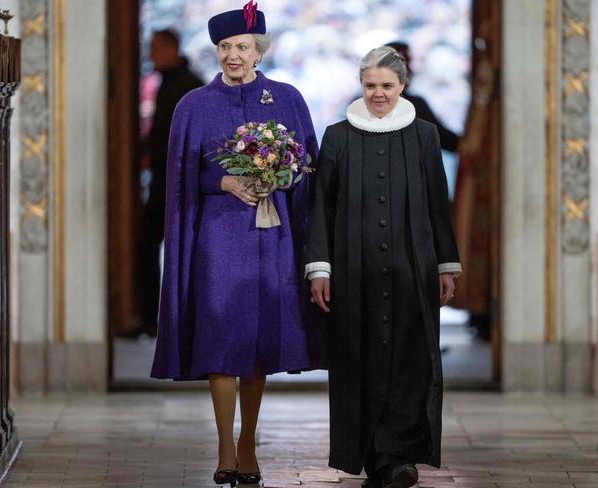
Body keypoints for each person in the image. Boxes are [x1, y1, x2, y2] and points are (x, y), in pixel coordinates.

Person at [150, 3, 325, 487]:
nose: (233, 55)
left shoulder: (287, 98)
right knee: (222, 334)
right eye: (226, 47)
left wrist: (280, 176)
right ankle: (225, 446)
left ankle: (249, 442)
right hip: (218, 239)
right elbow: (180, 176)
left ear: (259, 50)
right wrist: (224, 181)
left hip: (272, 239)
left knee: (258, 343)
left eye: (242, 47)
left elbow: (309, 166)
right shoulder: (193, 105)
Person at [306, 46, 461, 488]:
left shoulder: (425, 135)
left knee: (409, 361)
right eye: (370, 85)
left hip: (413, 267)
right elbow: (321, 207)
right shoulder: (337, 136)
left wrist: (446, 264)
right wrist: (320, 268)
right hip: (355, 272)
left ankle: (398, 456)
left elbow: (437, 204)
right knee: (362, 360)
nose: (378, 94)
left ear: (403, 86)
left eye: (387, 86)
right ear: (361, 85)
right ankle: (376, 456)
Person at [137, 29, 204, 336]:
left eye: (155, 48)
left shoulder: (190, 87)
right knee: (148, 245)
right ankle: (152, 318)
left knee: (188, 251)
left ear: (170, 48)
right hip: (163, 181)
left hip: (183, 183)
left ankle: (187, 320)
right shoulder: (167, 82)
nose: (151, 55)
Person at [385, 41, 459, 153]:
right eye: (405, 64)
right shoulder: (413, 106)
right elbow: (447, 140)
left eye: (408, 63)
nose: (409, 70)